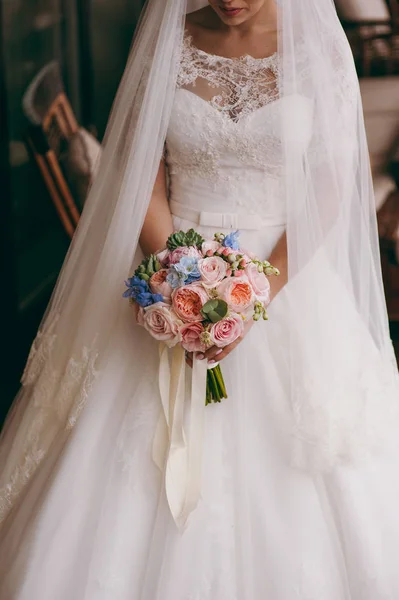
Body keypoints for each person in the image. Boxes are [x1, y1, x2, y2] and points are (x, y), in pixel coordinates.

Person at [1, 1, 399, 598]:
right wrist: (184, 275)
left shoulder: (316, 45)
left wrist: (255, 289)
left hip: (285, 275)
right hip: (174, 265)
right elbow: (141, 174)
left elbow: (329, 181)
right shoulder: (169, 39)